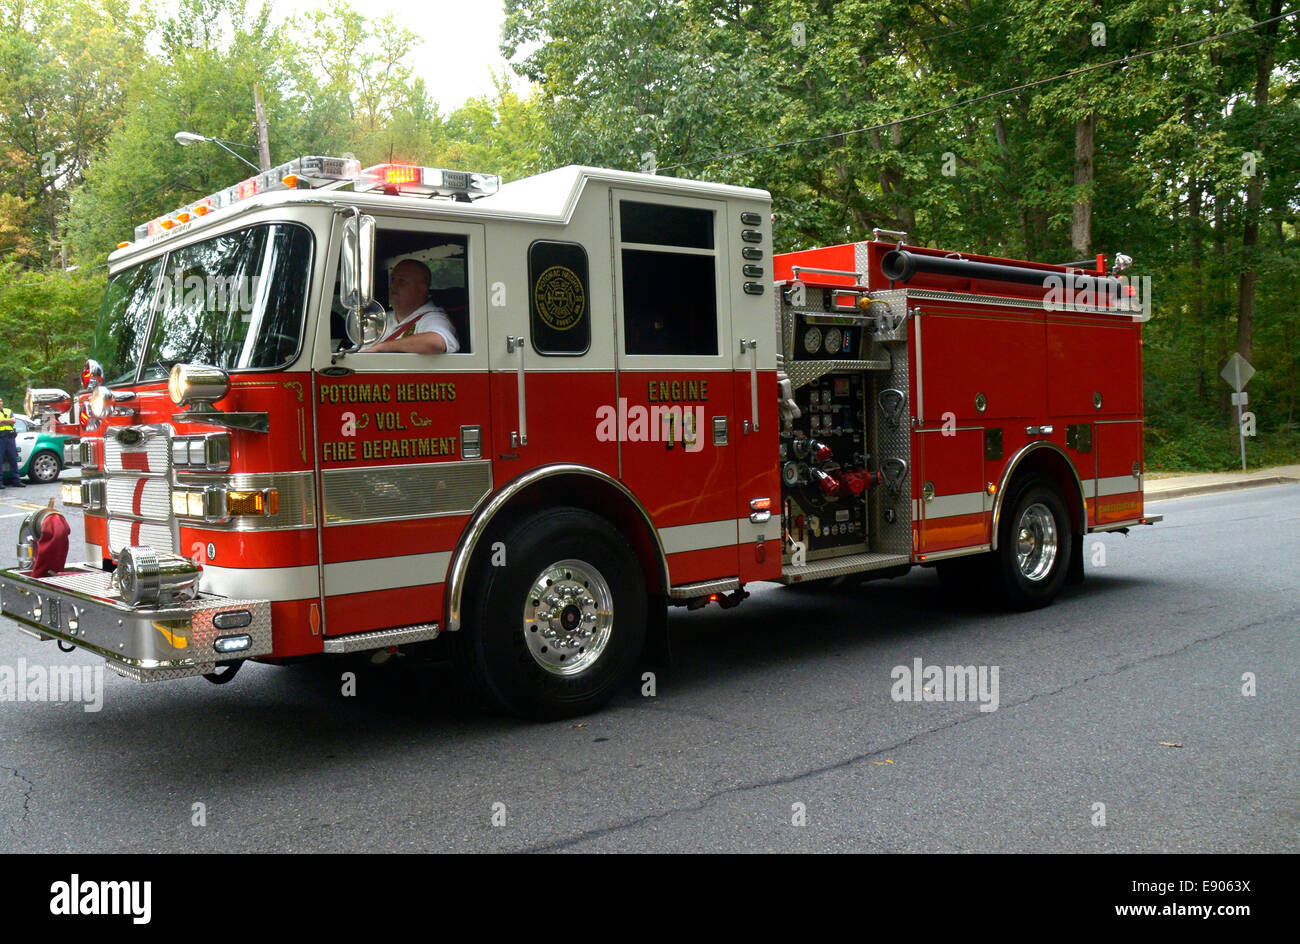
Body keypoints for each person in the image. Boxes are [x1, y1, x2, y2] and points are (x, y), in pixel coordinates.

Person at [368, 259, 460, 354]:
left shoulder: (433, 318)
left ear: (421, 289)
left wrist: (382, 347)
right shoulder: (381, 319)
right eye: (393, 279)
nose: (392, 285)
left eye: (402, 281)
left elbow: (437, 342)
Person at [0, 397, 25, 488]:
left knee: (13, 459)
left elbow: (13, 421)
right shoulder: (8, 413)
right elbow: (11, 421)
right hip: (1, 438)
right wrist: (8, 421)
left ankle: (16, 480)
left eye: (1, 401)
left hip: (10, 437)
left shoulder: (8, 411)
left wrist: (2, 421)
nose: (0, 402)